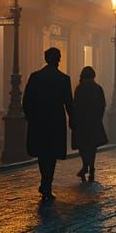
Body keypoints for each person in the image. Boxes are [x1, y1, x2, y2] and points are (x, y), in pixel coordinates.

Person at [23, 47, 74, 201]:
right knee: (51, 155)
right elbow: (69, 103)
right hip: (55, 122)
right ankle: (47, 184)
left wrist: (30, 117)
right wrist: (73, 120)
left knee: (42, 153)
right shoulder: (64, 79)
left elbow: (26, 100)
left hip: (38, 121)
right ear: (58, 59)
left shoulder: (35, 77)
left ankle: (45, 182)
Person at [71, 66, 107, 182]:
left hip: (81, 123)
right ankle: (91, 167)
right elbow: (102, 106)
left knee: (82, 147)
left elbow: (75, 106)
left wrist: (73, 120)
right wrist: (98, 119)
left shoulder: (79, 88)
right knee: (92, 147)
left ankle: (85, 165)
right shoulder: (98, 88)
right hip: (94, 123)